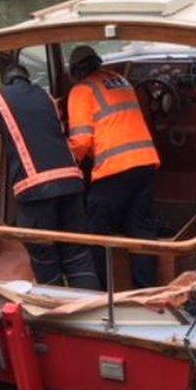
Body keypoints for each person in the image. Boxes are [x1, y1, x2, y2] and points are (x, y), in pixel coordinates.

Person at [0, 64, 100, 290]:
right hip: (71, 182)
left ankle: (55, 309)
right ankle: (92, 306)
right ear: (27, 78)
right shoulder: (46, 96)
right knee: (77, 254)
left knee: (44, 255)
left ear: (6, 80)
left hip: (35, 189)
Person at [66, 45, 161, 289]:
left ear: (75, 72)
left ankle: (101, 293)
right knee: (140, 231)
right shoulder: (121, 80)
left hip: (114, 170)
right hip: (146, 163)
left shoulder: (81, 90)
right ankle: (146, 290)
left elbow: (81, 141)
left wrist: (66, 163)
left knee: (96, 232)